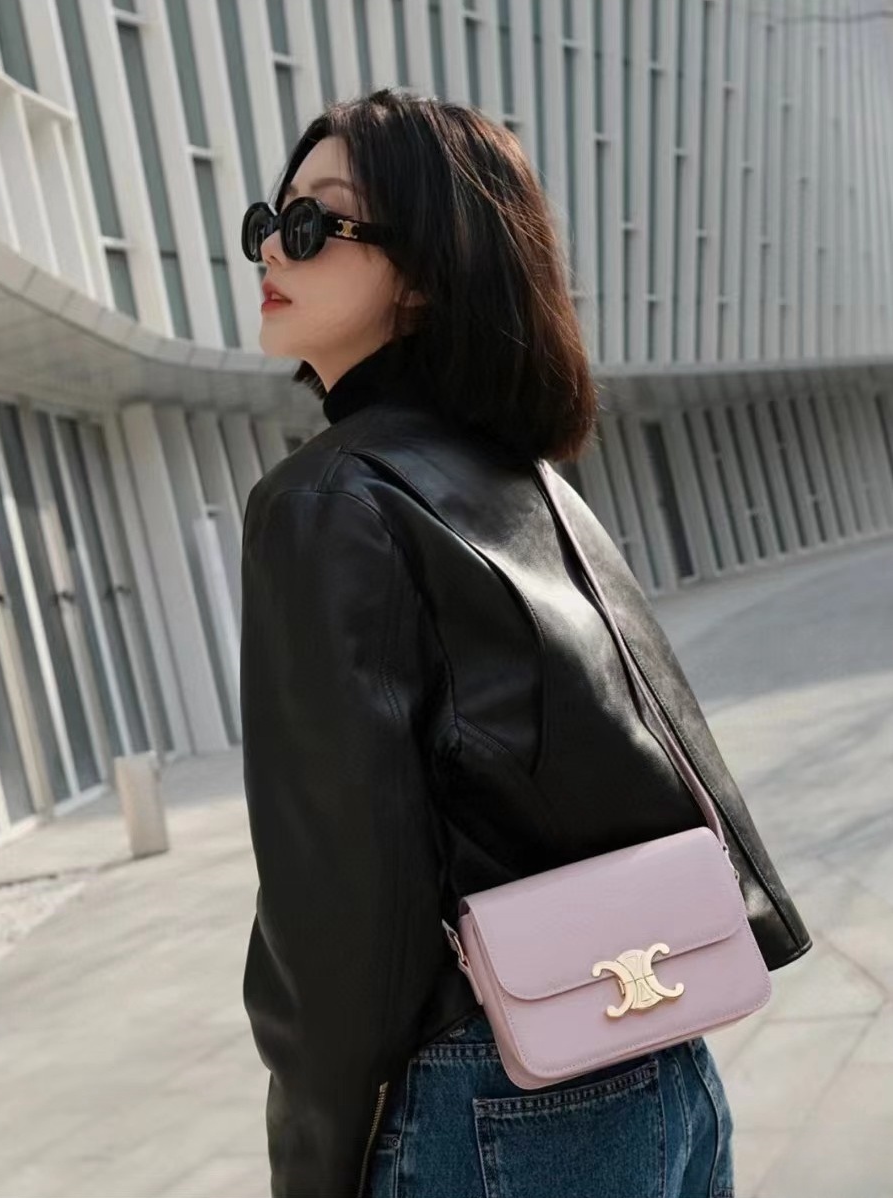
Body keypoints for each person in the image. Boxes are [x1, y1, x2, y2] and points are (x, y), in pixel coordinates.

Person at [239, 88, 812, 1198]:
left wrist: (311, 1156)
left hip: (489, 1095)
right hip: (657, 1065)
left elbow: (340, 906)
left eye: (313, 222)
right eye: (268, 218)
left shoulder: (327, 499)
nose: (272, 245)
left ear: (425, 267)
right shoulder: (524, 479)